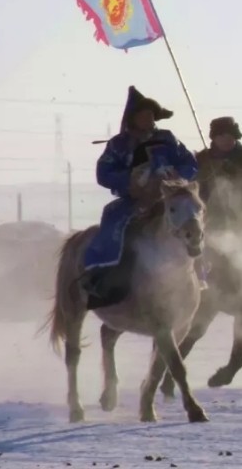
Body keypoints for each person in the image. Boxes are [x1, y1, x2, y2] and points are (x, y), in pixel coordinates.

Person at [81, 86, 201, 307]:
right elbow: (103, 173)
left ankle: (200, 272)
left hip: (170, 197)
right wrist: (131, 180)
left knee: (194, 219)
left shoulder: (167, 138)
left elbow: (190, 163)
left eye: (151, 115)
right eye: (143, 115)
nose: (148, 119)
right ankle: (102, 275)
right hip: (135, 200)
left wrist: (180, 175)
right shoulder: (118, 144)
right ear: (132, 118)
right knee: (113, 218)